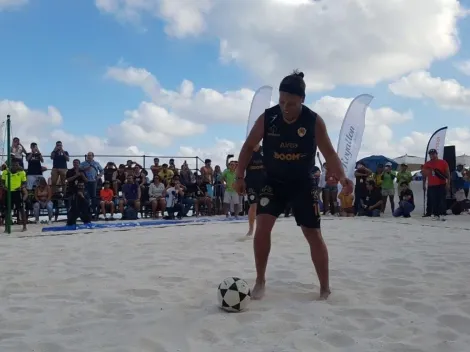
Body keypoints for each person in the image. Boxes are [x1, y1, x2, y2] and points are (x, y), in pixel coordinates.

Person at [234, 70, 352, 300]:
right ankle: (260, 281)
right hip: (273, 181)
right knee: (263, 226)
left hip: (302, 182)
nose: (285, 107)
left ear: (302, 100)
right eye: (281, 101)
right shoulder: (269, 118)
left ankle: (325, 287)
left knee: (313, 233)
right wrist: (239, 176)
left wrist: (343, 177)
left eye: (291, 103)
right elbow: (248, 146)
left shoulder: (313, 121)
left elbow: (329, 153)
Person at [422, 149, 449, 221]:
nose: (432, 155)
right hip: (431, 185)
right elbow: (424, 175)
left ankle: (442, 214)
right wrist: (424, 184)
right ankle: (436, 215)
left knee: (442, 200)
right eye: (430, 154)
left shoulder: (443, 162)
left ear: (436, 154)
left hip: (441, 184)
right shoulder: (427, 164)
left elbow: (448, 173)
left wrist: (448, 183)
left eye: (433, 154)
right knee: (434, 200)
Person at [244, 144, 265, 236]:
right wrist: (241, 182)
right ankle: (251, 228)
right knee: (253, 206)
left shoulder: (265, 150)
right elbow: (241, 168)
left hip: (264, 182)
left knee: (264, 206)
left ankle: (262, 228)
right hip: (250, 183)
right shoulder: (247, 151)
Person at [2, 161, 28, 231]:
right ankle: (6, 227)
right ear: (10, 166)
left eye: (17, 165)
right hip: (8, 192)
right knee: (7, 210)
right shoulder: (5, 172)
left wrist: (21, 187)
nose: (15, 167)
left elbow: (25, 183)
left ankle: (24, 227)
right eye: (13, 165)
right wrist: (4, 187)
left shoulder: (22, 172)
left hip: (17, 192)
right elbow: (2, 182)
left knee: (21, 209)